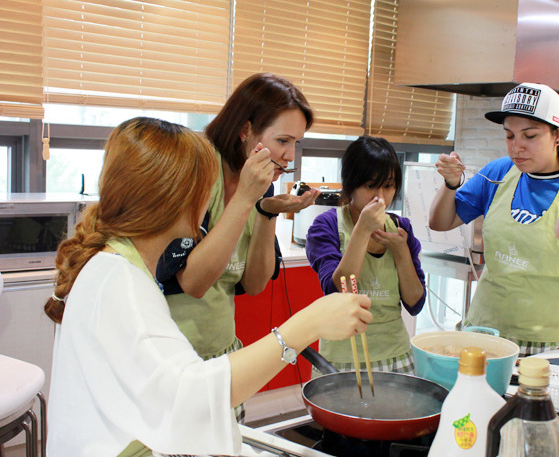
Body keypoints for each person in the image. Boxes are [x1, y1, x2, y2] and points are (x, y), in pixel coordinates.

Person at [44, 117, 371, 456]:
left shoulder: (115, 264)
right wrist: (307, 325)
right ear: (177, 198)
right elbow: (191, 395)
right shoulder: (120, 282)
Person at [155, 73, 320, 421]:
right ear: (245, 130)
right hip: (173, 358)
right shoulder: (199, 170)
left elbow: (255, 284)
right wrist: (246, 198)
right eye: (282, 141)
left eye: (296, 144)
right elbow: (194, 283)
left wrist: (266, 213)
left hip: (222, 354)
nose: (289, 156)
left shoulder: (260, 186)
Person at [429, 82, 559, 356]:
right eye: (509, 135)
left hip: (550, 348)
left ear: (558, 135)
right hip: (485, 334)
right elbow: (440, 222)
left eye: (530, 136)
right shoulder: (499, 172)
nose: (517, 147)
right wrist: (450, 183)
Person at [305, 136, 426, 374]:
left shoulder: (401, 228)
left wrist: (401, 252)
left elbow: (415, 303)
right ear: (351, 184)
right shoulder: (327, 225)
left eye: (389, 186)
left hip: (397, 355)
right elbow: (339, 290)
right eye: (371, 186)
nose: (380, 197)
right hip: (342, 359)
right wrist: (361, 230)